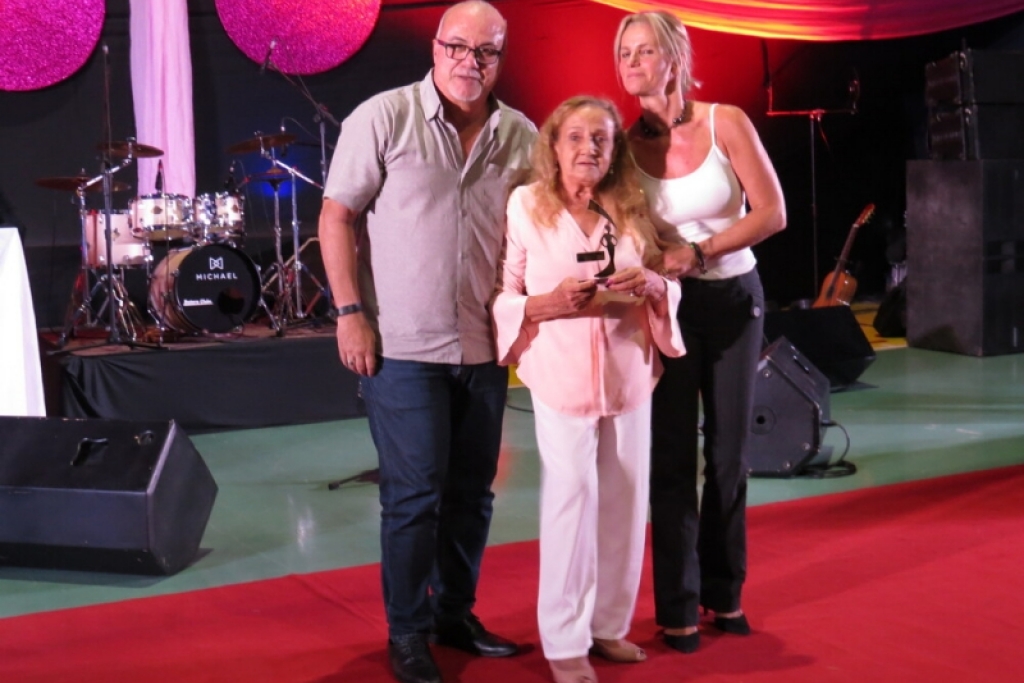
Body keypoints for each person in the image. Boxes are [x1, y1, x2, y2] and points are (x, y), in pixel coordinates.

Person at [317, 3, 536, 683]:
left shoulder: (521, 135)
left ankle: (454, 615)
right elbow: (336, 216)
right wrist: (349, 312)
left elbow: (536, 231)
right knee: (413, 498)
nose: (470, 62)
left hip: (485, 345)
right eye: (458, 47)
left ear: (501, 58)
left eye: (486, 52)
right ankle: (408, 633)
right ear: (436, 48)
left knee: (472, 494)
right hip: (403, 347)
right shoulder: (383, 117)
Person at [492, 96, 684, 683]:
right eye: (575, 137)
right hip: (560, 376)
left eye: (600, 139)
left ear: (614, 149)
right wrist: (546, 305)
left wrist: (655, 285)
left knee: (626, 499)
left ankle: (608, 627)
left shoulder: (632, 203)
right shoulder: (526, 204)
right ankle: (564, 641)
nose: (588, 149)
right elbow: (506, 295)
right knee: (570, 499)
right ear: (553, 146)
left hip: (629, 373)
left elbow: (666, 279)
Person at [614, 11, 787, 654]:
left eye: (644, 50)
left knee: (729, 455)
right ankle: (678, 607)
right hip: (669, 308)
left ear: (675, 57)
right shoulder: (623, 148)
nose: (632, 62)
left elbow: (773, 212)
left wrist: (701, 251)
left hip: (734, 298)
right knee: (671, 459)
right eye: (624, 53)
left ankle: (725, 591)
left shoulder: (726, 122)